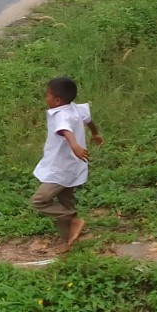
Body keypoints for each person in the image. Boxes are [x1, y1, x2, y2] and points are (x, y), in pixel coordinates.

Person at [30, 76, 103, 253]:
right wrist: (95, 133)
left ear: (57, 100)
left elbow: (65, 130)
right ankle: (69, 241)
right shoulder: (74, 108)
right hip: (72, 166)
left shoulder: (60, 115)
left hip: (60, 169)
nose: (45, 98)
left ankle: (73, 219)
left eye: (47, 95)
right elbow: (88, 119)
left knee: (39, 200)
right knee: (65, 202)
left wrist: (75, 145)